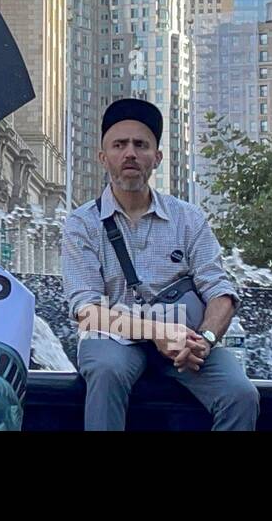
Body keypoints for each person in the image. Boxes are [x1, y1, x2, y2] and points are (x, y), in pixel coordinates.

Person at [62, 98, 259, 431]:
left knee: (241, 393)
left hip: (185, 340)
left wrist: (205, 339)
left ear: (157, 157)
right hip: (114, 339)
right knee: (106, 371)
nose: (130, 153)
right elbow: (86, 310)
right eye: (119, 145)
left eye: (141, 145)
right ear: (103, 157)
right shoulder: (82, 223)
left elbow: (221, 292)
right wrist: (157, 333)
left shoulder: (189, 218)